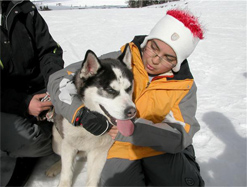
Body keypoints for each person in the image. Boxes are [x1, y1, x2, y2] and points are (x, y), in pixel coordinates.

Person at [47, 9, 205, 186]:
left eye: (168, 57)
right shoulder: (116, 62)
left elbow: (182, 132)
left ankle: (186, 158)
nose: (155, 60)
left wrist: (136, 131)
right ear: (147, 41)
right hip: (117, 148)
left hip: (157, 147)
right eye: (154, 48)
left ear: (178, 62)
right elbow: (59, 80)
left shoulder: (183, 85)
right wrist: (80, 113)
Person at [0, 0, 64, 186]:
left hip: (41, 93)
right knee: (20, 137)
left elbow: (49, 51)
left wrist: (53, 84)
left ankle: (47, 136)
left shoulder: (25, 9)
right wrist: (23, 103)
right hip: (8, 102)